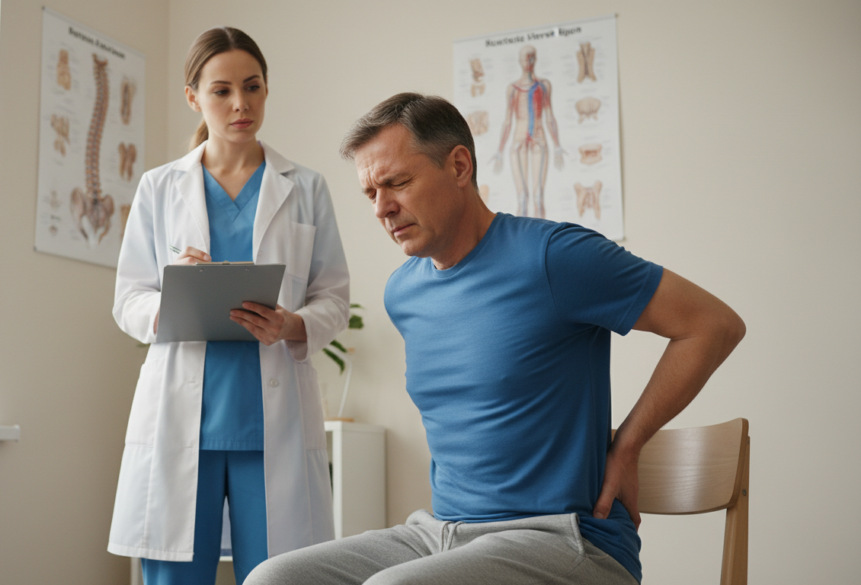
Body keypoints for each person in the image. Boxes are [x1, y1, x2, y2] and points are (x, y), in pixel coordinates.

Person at [244, 93, 745, 585]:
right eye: (370, 193)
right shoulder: (405, 291)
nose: (383, 208)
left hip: (565, 538)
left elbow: (712, 325)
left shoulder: (554, 257)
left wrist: (630, 443)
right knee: (275, 577)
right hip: (442, 534)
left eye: (397, 183)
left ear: (459, 166)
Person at [108, 27, 350, 585]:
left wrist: (293, 323)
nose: (241, 104)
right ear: (193, 96)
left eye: (253, 87)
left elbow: (333, 297)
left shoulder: (305, 188)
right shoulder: (159, 187)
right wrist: (177, 293)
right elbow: (128, 299)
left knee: (279, 574)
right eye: (222, 91)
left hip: (272, 423)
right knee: (173, 576)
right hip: (182, 416)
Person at [491, 45, 564, 219]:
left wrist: (558, 146)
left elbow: (550, 117)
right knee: (522, 198)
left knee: (538, 197)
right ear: (519, 60)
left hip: (539, 139)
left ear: (536, 59)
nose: (528, 62)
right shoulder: (513, 89)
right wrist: (500, 151)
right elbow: (508, 121)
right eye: (525, 58)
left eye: (531, 58)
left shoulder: (544, 86)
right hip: (518, 142)